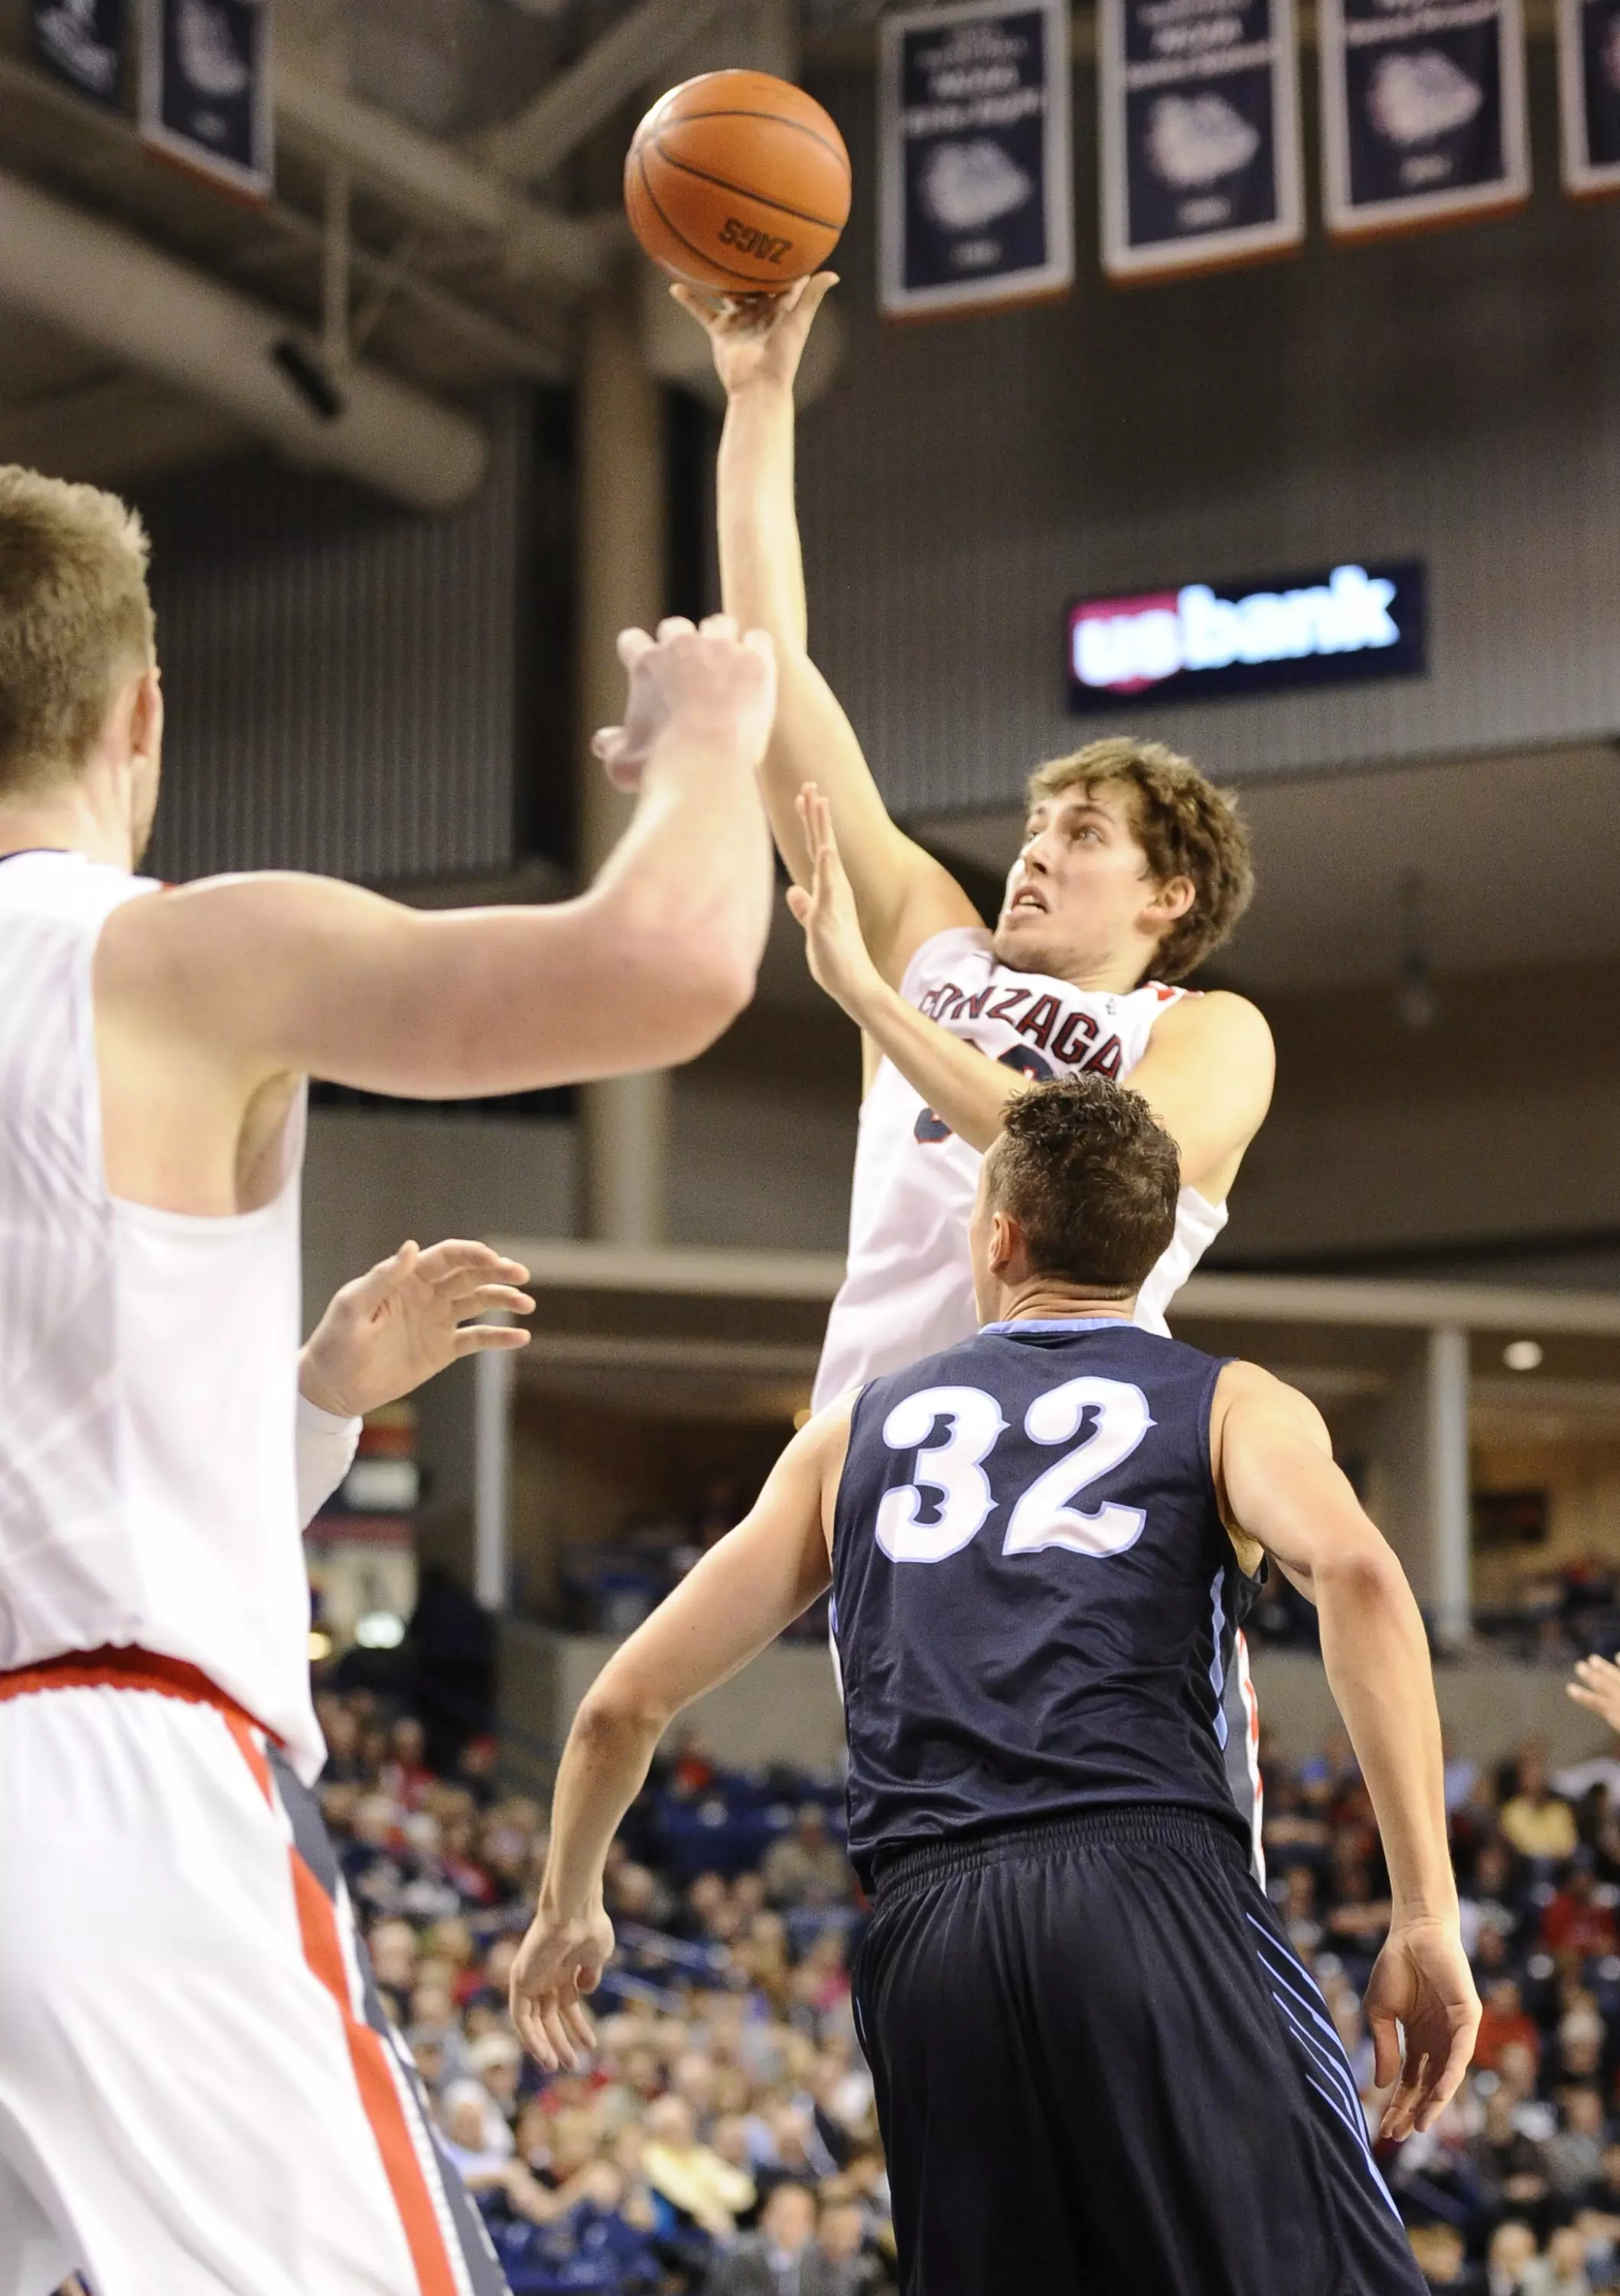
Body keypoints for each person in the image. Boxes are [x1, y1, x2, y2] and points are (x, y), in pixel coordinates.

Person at [0, 464, 778, 2296]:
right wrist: (707, 745)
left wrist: (300, 1410)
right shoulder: (157, 952)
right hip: (113, 1788)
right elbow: (667, 965)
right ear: (140, 716)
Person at [510, 1075, 1479, 2296]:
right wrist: (1425, 1913)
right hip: (1145, 1887)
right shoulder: (1231, 1398)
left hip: (929, 1935)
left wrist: (567, 1904)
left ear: (999, 1237)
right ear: (1148, 1249)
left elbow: (619, 1706)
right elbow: (1360, 1575)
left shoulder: (849, 1431)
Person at [676, 279, 1276, 1857]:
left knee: (1166, 1908)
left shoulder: (1203, 1031)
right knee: (945, 1895)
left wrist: (874, 1008)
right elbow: (769, 671)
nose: (1031, 853)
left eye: (1078, 835)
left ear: (1166, 897)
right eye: (1029, 826)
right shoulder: (936, 947)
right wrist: (754, 401)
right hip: (892, 1479)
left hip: (1102, 1506)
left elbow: (1088, 1156)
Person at [706, 2181, 845, 2296]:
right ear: (763, 2217)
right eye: (778, 2213)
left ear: (811, 2225)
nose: (783, 2224)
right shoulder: (739, 2256)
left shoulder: (821, 2263)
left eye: (793, 2217)